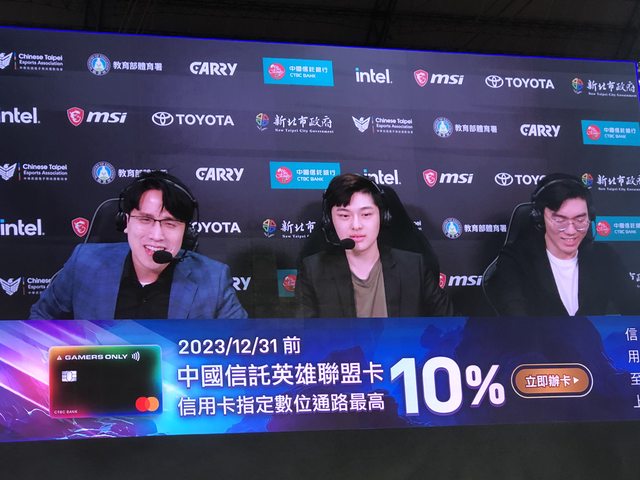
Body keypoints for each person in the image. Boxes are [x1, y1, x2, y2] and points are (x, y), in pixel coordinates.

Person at [30, 171, 247, 319]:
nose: (157, 235)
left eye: (170, 223)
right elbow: (38, 324)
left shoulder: (213, 279)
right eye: (145, 220)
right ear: (125, 222)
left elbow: (240, 346)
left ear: (186, 231)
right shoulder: (84, 264)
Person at [296, 173, 453, 318]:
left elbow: (450, 327)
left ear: (383, 217)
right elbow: (305, 333)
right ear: (329, 221)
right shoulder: (313, 272)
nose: (356, 225)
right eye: (344, 215)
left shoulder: (414, 267)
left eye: (366, 214)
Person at [487, 173, 638, 316]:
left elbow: (633, 306)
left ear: (590, 217)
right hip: (537, 336)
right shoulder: (515, 259)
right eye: (560, 220)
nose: (571, 231)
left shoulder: (604, 257)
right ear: (539, 218)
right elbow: (516, 319)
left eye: (580, 220)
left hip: (591, 336)